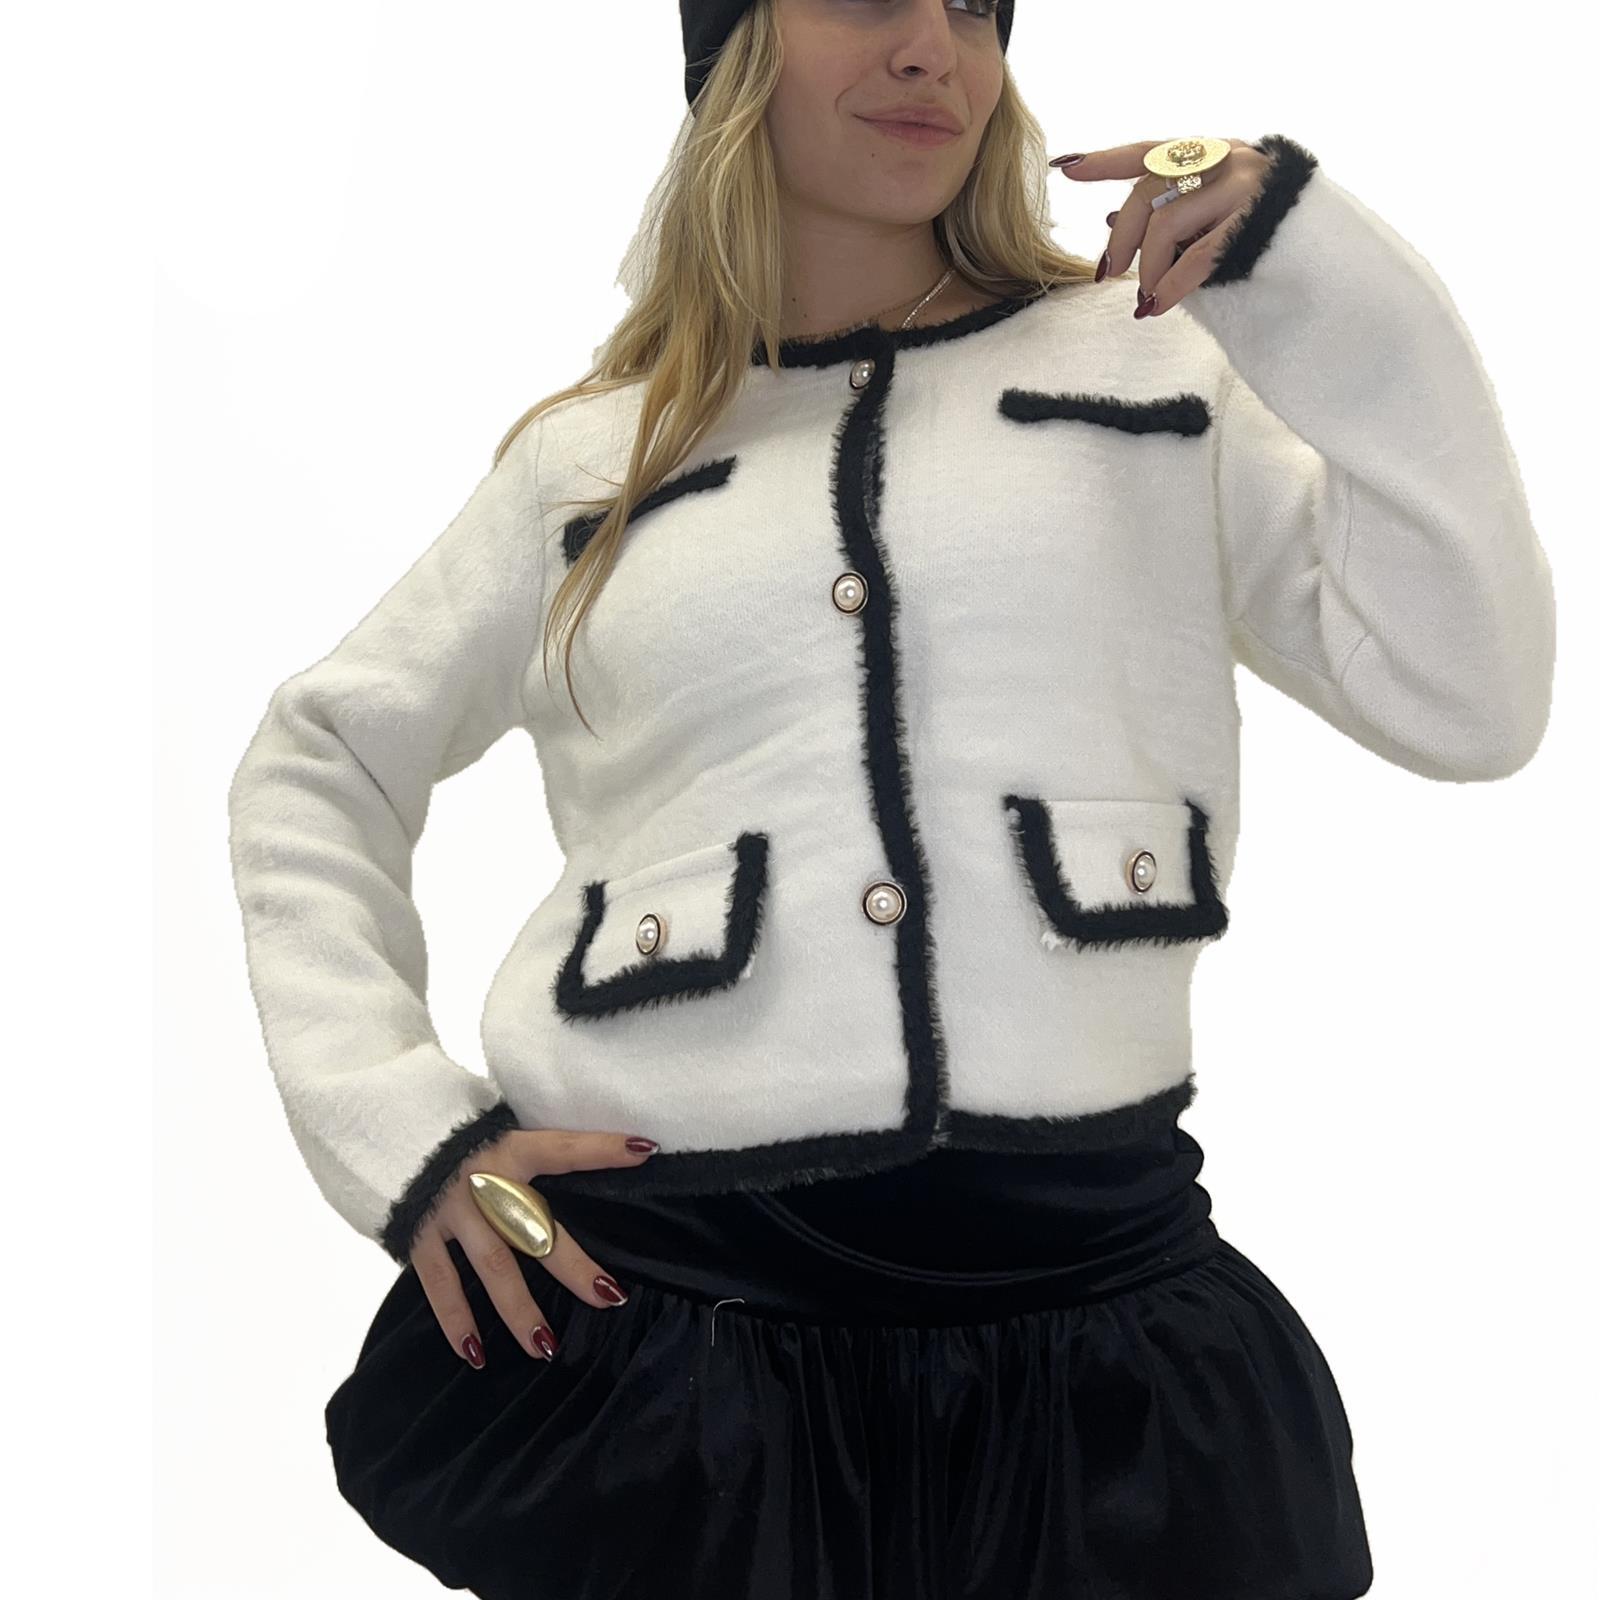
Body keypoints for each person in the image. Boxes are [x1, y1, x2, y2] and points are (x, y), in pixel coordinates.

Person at [224, 2, 1557, 1596]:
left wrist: (1322, 271)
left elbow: (1470, 697)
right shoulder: (587, 463)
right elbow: (320, 757)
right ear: (732, 52)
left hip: (1101, 1346)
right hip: (675, 1361)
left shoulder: (1155, 370)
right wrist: (405, 1132)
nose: (934, 45)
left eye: (973, 4)